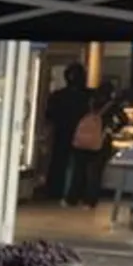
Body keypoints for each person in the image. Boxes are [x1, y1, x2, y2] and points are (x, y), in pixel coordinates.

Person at [68, 84, 128, 209]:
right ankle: (89, 201)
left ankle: (72, 198)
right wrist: (112, 130)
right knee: (94, 173)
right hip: (101, 142)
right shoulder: (113, 106)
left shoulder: (88, 103)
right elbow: (124, 120)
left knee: (78, 171)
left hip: (81, 142)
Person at [44, 62, 90, 203]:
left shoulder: (58, 96)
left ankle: (55, 191)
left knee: (59, 162)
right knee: (80, 165)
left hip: (62, 132)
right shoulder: (87, 96)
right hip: (83, 133)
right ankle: (76, 193)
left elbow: (49, 114)